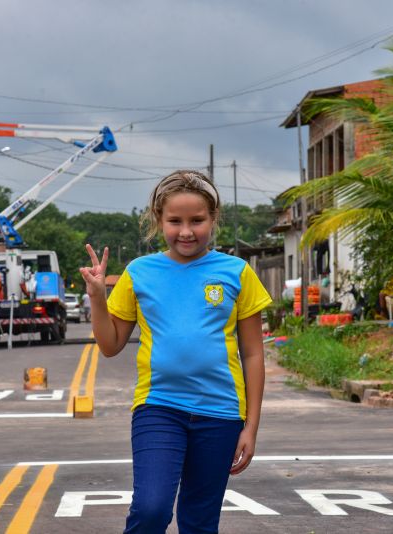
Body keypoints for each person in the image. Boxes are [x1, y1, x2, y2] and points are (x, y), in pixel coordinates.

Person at [80, 170, 271, 534]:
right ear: (158, 221)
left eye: (197, 220)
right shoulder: (140, 272)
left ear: (213, 219)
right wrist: (97, 298)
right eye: (175, 221)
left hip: (221, 414)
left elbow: (252, 354)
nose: (186, 231)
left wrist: (251, 427)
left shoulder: (237, 273)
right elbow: (109, 345)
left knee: (200, 521)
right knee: (151, 509)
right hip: (159, 409)